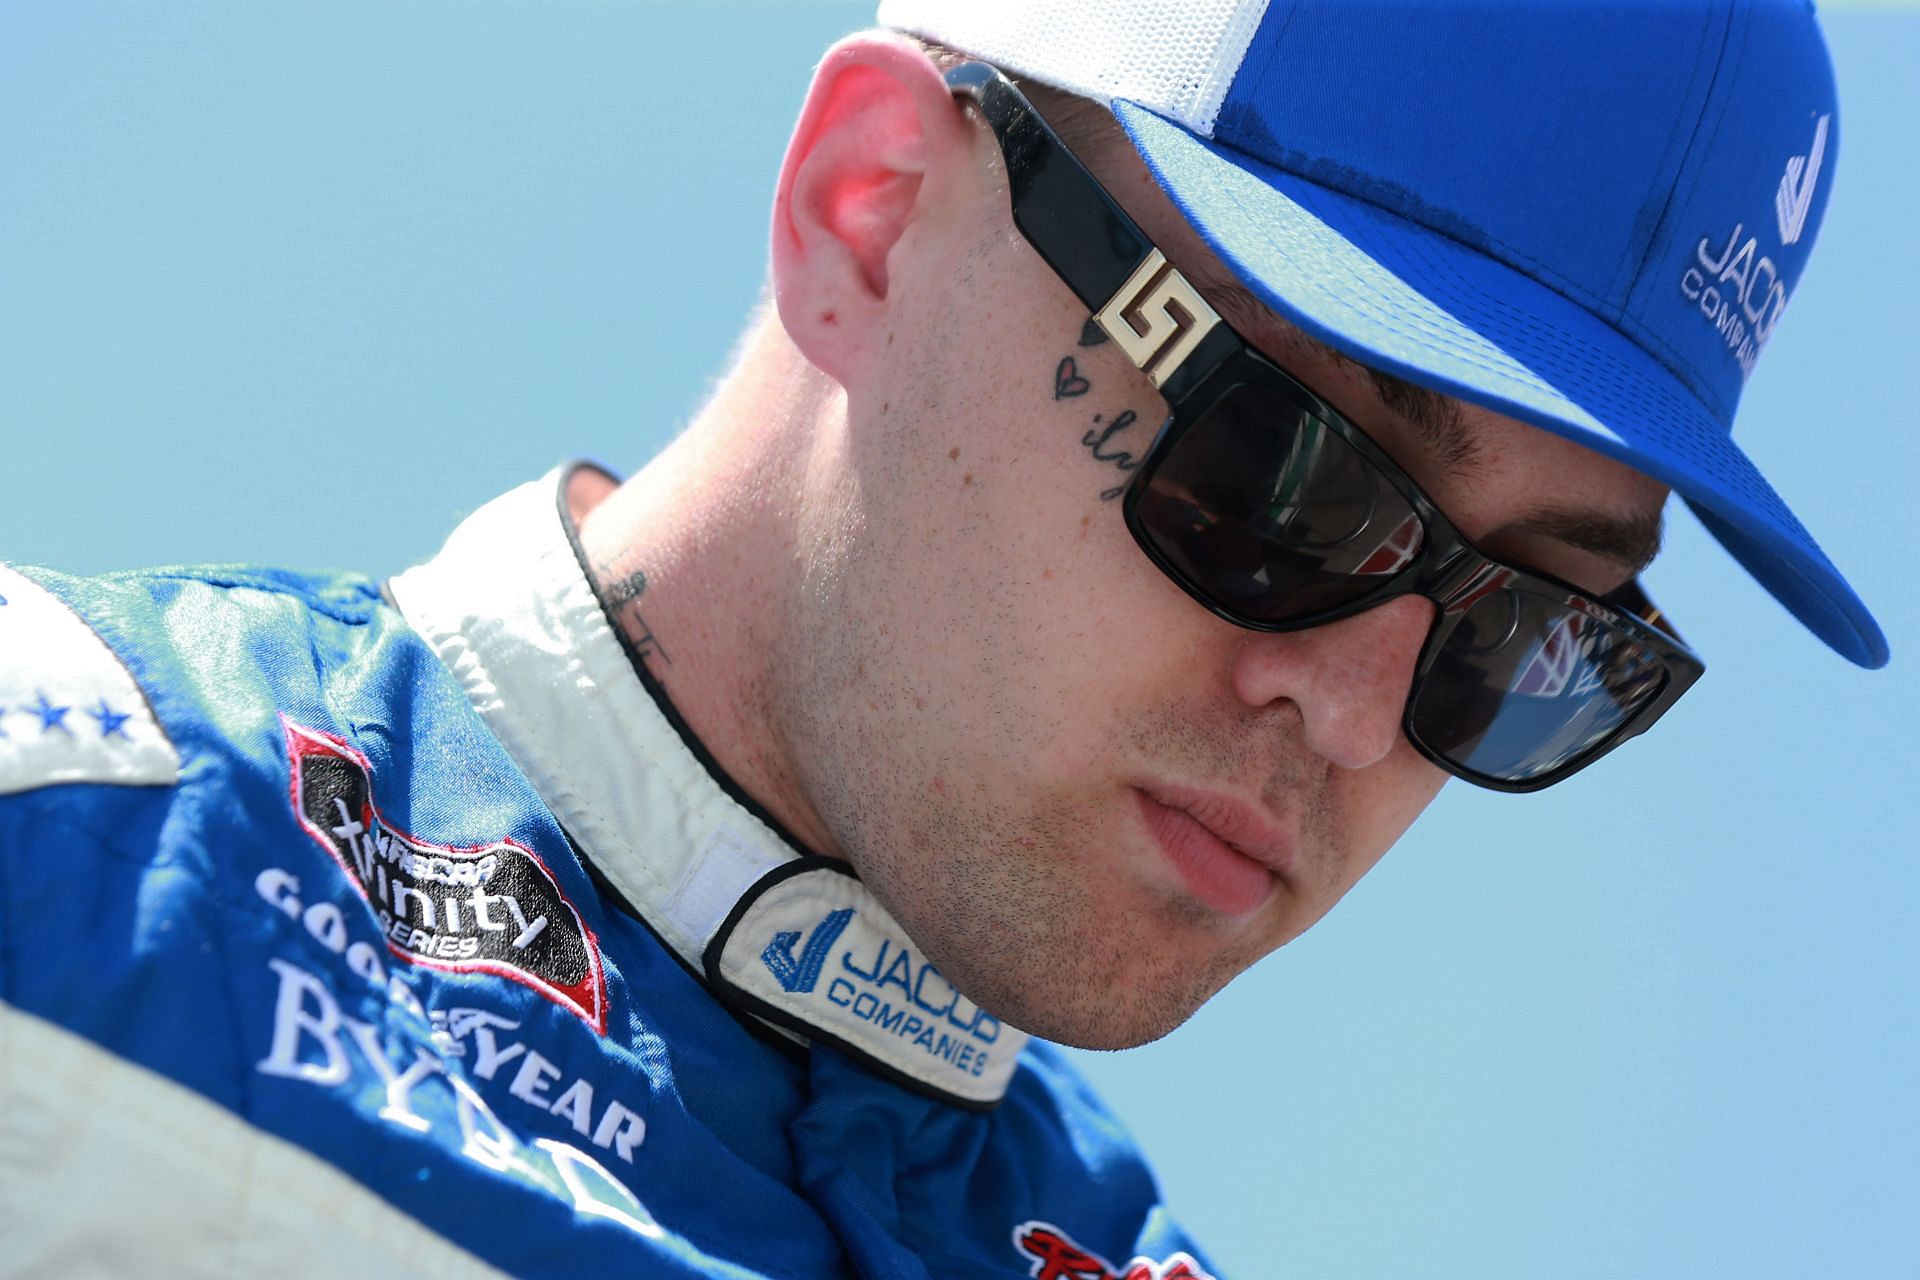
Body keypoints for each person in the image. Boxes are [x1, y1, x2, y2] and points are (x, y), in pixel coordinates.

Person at [0, 2, 1887, 1277]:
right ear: (874, 214)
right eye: (1290, 471)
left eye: (1531, 628)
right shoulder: (50, 858)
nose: (1357, 716)